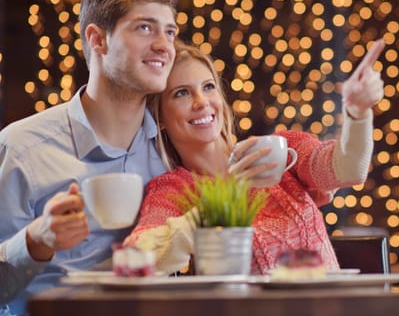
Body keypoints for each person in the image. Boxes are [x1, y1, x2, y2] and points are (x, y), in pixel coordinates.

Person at [0, 0, 178, 314]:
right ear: (98, 39)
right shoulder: (21, 149)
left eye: (169, 32)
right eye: (145, 27)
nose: (164, 45)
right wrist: (35, 243)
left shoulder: (172, 149)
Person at [124, 38, 385, 275]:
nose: (201, 101)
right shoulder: (174, 189)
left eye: (208, 87)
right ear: (159, 119)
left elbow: (349, 168)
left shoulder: (281, 152)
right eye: (182, 92)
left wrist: (358, 113)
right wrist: (223, 201)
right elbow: (134, 261)